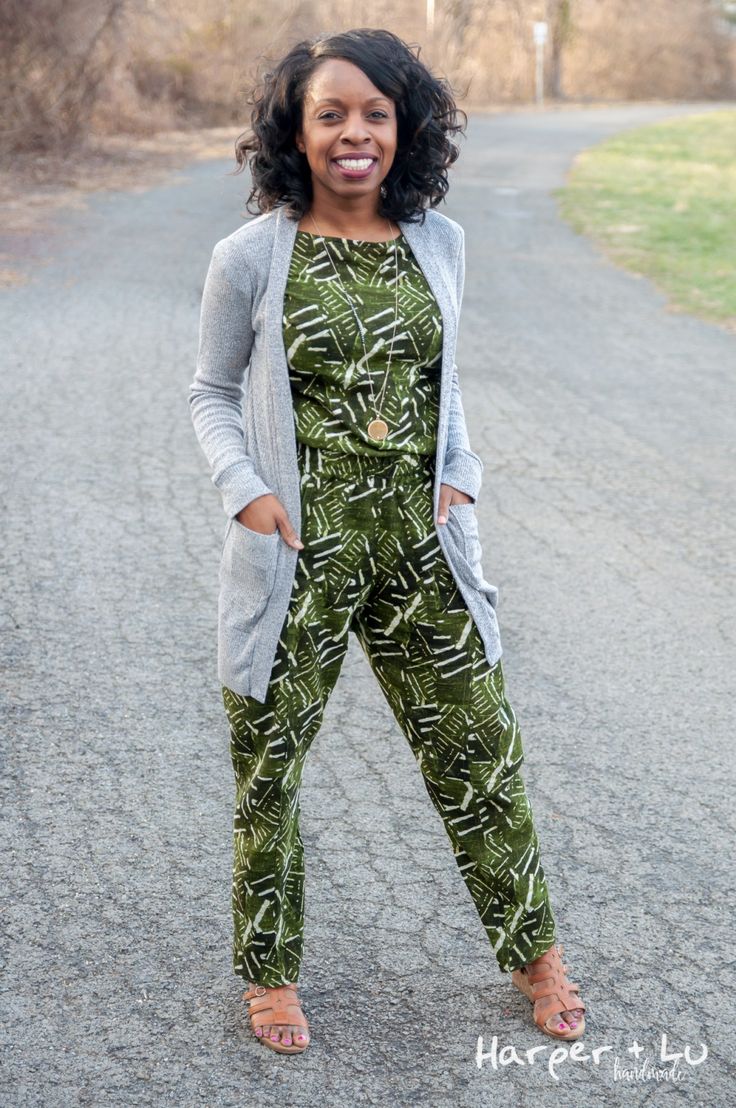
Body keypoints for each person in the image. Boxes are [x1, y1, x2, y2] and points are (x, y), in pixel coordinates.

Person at [189, 27, 586, 1055]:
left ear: (404, 127)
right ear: (297, 131)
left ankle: (534, 952)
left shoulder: (438, 244)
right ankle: (270, 975)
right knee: (269, 764)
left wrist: (463, 472)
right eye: (331, 114)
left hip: (420, 542)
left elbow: (442, 383)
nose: (354, 133)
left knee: (478, 751)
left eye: (374, 112)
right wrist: (247, 494)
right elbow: (211, 393)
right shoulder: (248, 256)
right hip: (298, 546)